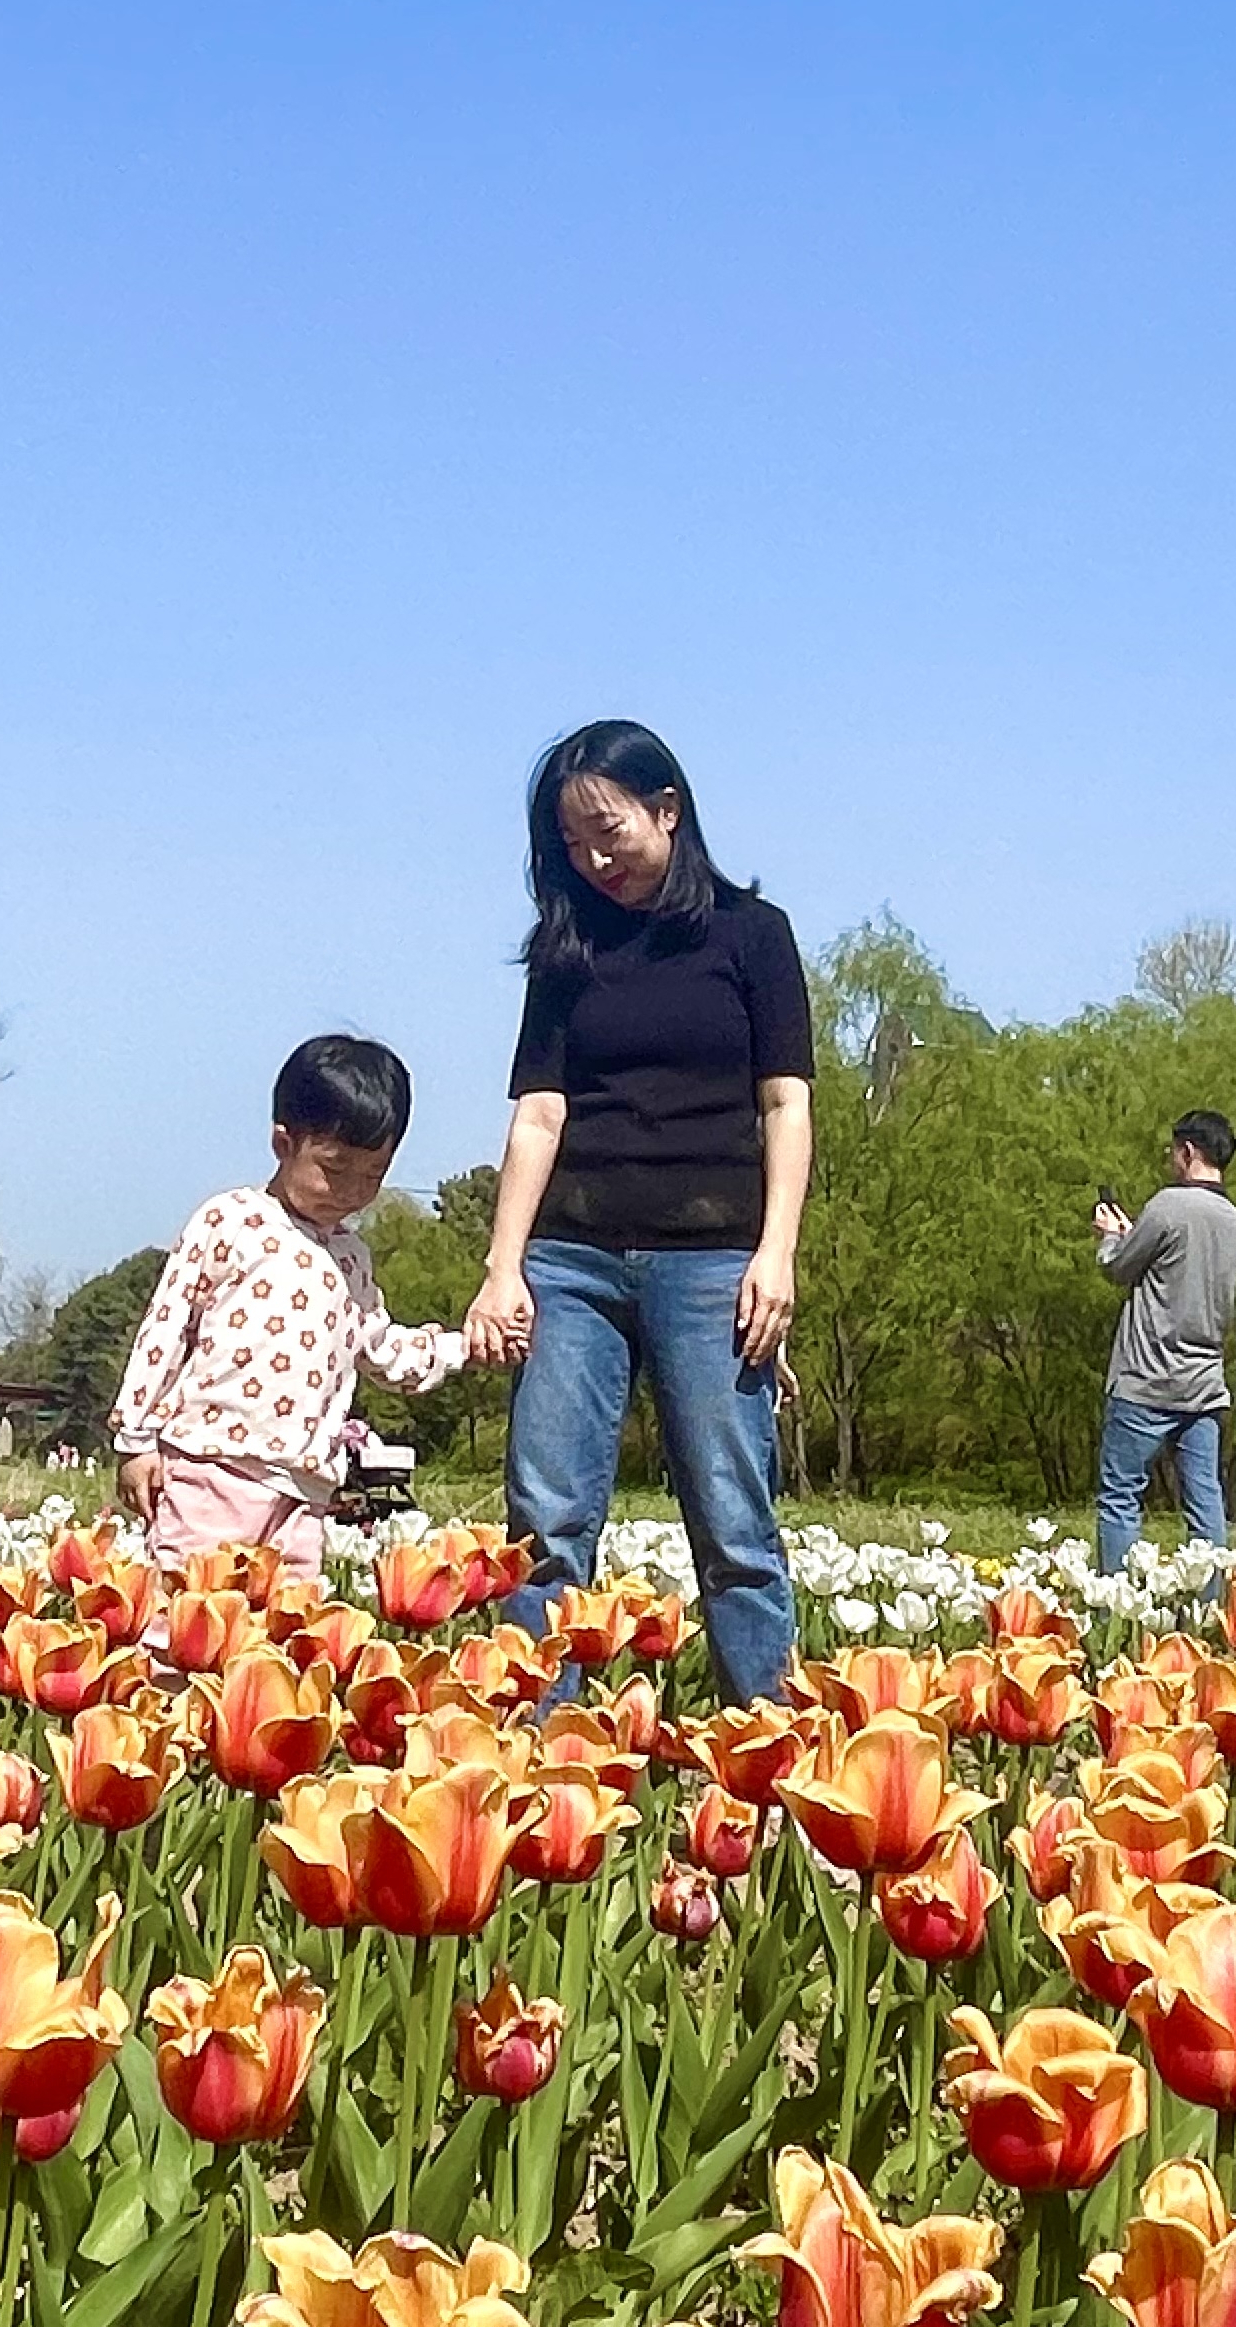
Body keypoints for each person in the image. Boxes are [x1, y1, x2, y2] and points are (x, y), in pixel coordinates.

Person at [464, 721, 813, 1707]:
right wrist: (504, 1268)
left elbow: (786, 1104)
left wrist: (775, 1253)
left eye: (608, 831)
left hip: (712, 1260)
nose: (593, 859)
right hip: (572, 1261)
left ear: (668, 809)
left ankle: (767, 1752)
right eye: (570, 844)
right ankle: (538, 1748)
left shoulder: (752, 934)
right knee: (547, 1516)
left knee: (732, 1519)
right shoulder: (566, 950)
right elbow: (538, 1116)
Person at [113, 1034, 467, 1581]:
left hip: (304, 1489)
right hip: (213, 1467)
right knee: (189, 1623)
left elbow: (382, 1348)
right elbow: (166, 1327)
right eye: (334, 1167)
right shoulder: (232, 1220)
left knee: (285, 1632)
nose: (351, 1190)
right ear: (283, 1143)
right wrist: (135, 1440)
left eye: (373, 1175)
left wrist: (460, 1346)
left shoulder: (350, 1257)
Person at [1091, 1116, 1236, 1579]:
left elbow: (1119, 1268)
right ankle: (1208, 1611)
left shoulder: (1168, 1206)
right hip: (1204, 1384)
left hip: (1145, 1377)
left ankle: (1118, 1610)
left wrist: (1112, 1236)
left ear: (1188, 1152)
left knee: (1121, 1496)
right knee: (1205, 1507)